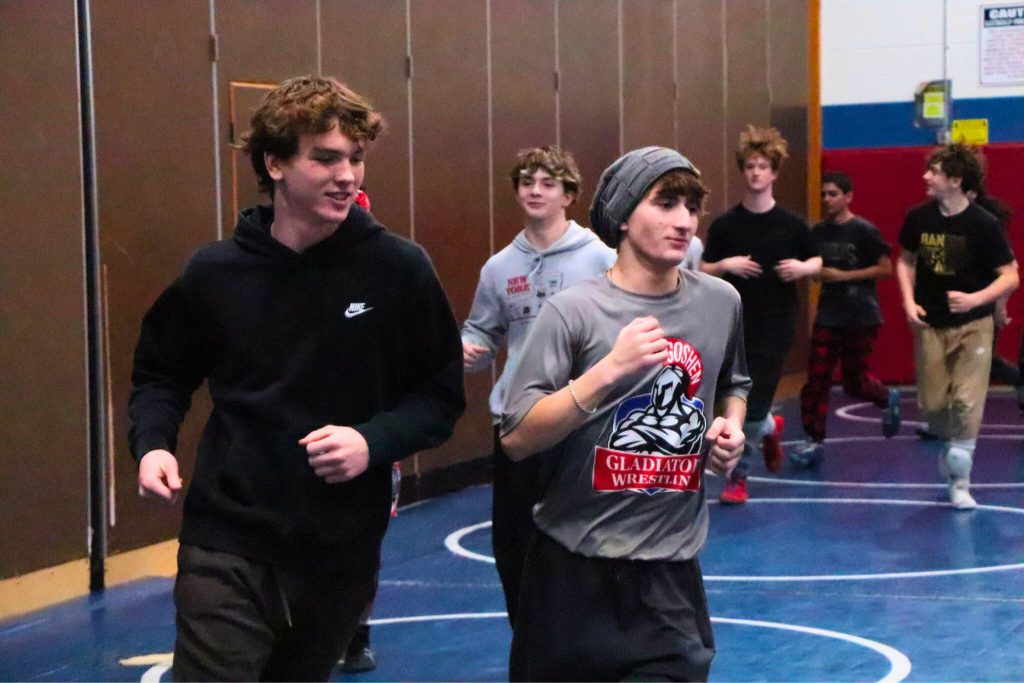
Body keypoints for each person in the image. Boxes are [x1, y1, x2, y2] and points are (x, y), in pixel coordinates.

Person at [128, 75, 465, 681]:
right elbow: (161, 372)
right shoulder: (215, 273)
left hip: (339, 550)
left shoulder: (398, 270)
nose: (347, 176)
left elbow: (439, 398)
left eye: (356, 159)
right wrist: (152, 443)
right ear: (275, 163)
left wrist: (372, 441)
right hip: (226, 538)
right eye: (326, 158)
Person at [501, 147, 751, 681]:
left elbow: (735, 379)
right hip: (572, 572)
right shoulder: (572, 312)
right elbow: (517, 437)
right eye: (665, 203)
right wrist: (604, 373)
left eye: (691, 205)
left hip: (669, 578)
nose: (684, 221)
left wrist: (730, 423)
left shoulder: (720, 302)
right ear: (621, 215)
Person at [461, 146, 615, 624]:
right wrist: (468, 347)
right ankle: (529, 639)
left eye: (548, 182)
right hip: (520, 420)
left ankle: (589, 640)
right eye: (527, 181)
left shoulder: (602, 258)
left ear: (568, 194)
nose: (535, 190)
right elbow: (481, 331)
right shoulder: (499, 267)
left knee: (583, 537)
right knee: (516, 542)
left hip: (584, 420)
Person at [700, 125, 820, 503]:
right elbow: (701, 269)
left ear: (774, 173)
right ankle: (771, 426)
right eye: (749, 166)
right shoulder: (725, 225)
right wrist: (726, 264)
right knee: (731, 400)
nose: (755, 172)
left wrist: (803, 269)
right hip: (733, 323)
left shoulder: (793, 224)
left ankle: (739, 475)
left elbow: (817, 261)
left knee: (749, 407)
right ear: (743, 171)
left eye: (762, 166)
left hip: (776, 323)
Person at [896, 142, 1018, 509]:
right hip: (931, 323)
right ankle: (951, 450)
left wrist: (977, 300)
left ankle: (960, 477)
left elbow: (1010, 276)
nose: (926, 177)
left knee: (967, 402)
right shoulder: (919, 218)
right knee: (934, 405)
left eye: (933, 172)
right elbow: (905, 261)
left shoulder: (984, 224)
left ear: (955, 179)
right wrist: (907, 301)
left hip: (974, 324)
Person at [791, 172, 901, 466]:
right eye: (824, 194)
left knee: (854, 382)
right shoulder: (817, 233)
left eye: (833, 194)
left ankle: (885, 397)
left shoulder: (865, 231)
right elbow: (813, 267)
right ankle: (813, 439)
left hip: (861, 314)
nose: (827, 199)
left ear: (848, 197)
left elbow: (885, 268)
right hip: (829, 315)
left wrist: (844, 276)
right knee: (817, 380)